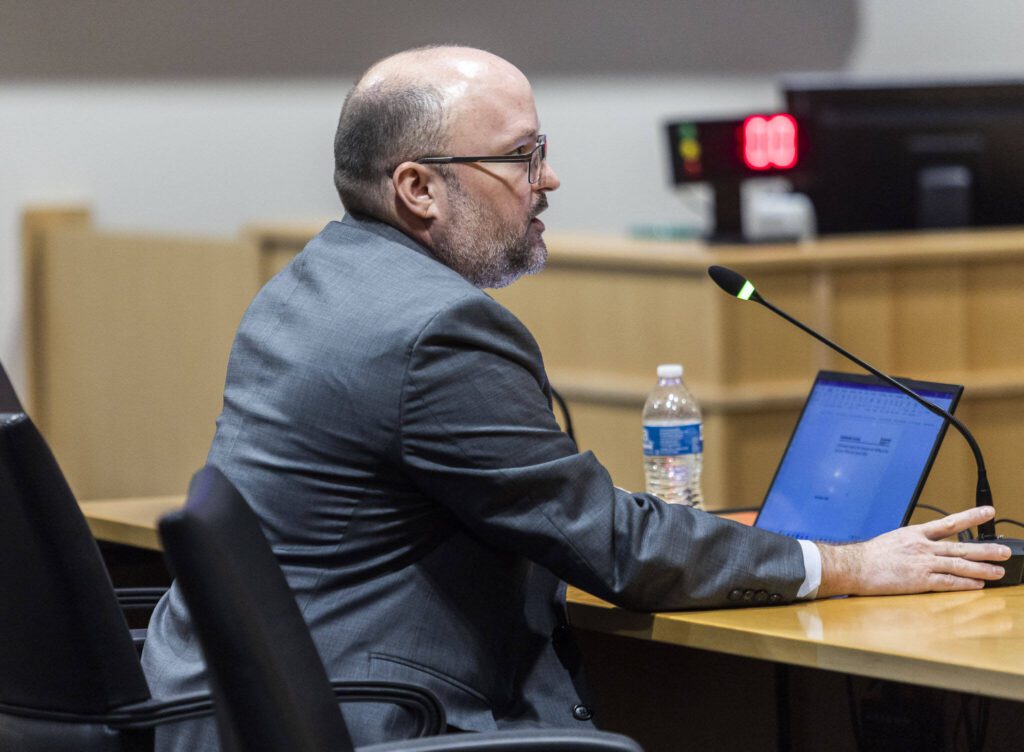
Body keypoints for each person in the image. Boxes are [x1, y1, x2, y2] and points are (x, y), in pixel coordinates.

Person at [141, 45, 1010, 750]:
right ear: (417, 189)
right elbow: (611, 546)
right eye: (521, 157)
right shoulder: (435, 330)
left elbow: (551, 509)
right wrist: (848, 565)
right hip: (366, 717)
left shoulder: (310, 285)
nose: (547, 180)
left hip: (235, 704)